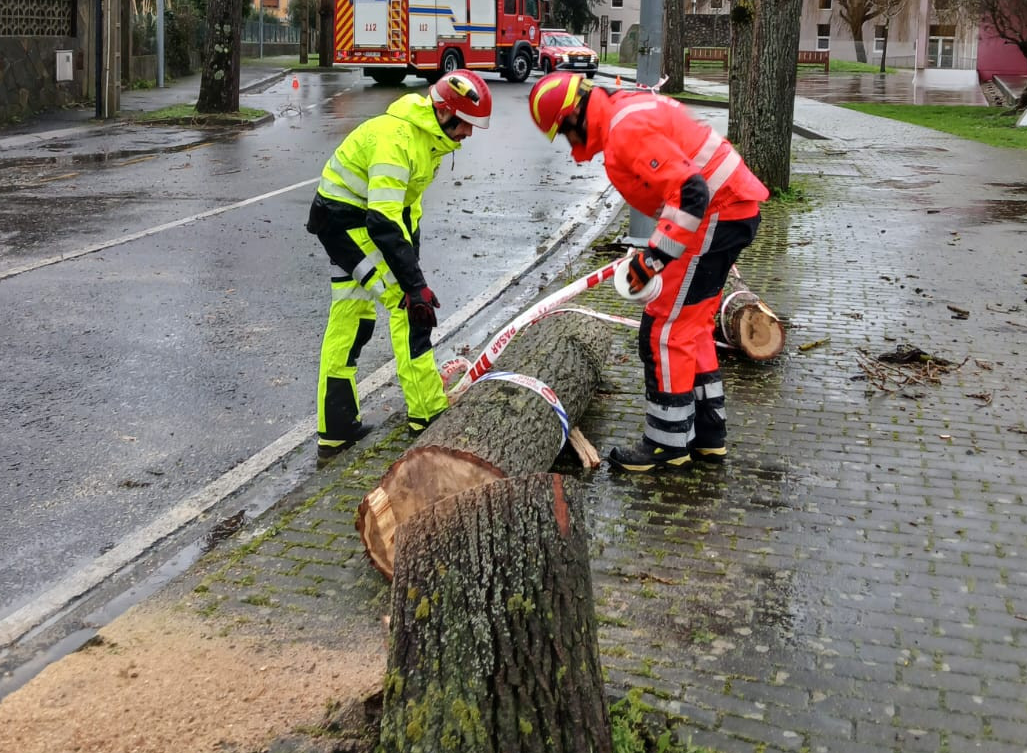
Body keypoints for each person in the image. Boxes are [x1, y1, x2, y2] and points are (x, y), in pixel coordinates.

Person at [528, 72, 767, 473]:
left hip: (716, 214)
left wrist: (652, 259)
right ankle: (708, 436)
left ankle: (667, 445)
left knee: (664, 332)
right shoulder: (627, 110)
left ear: (576, 117)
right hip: (730, 211)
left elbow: (692, 192)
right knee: (691, 324)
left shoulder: (624, 131)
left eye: (566, 134)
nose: (571, 147)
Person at [307, 70, 493, 465]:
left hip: (355, 219)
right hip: (346, 223)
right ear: (445, 112)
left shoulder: (428, 142)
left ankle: (336, 429)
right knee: (408, 308)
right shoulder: (399, 140)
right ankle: (427, 412)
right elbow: (383, 220)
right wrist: (413, 285)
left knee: (351, 318)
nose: (470, 135)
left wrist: (415, 270)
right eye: (467, 125)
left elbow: (409, 210)